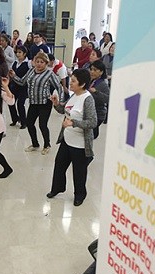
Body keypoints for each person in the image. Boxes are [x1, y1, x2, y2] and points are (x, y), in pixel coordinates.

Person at [47, 68, 97, 206]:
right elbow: (65, 110)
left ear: (82, 84)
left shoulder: (87, 99)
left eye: (73, 81)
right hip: (67, 139)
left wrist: (73, 123)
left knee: (79, 171)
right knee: (59, 165)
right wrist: (57, 104)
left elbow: (92, 122)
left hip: (80, 143)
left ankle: (80, 195)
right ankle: (57, 188)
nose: (70, 83)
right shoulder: (73, 95)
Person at [9, 52, 63, 155]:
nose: (39, 64)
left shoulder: (49, 74)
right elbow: (22, 82)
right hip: (33, 103)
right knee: (29, 124)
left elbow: (59, 87)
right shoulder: (31, 71)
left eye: (42, 62)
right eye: (37, 61)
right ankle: (35, 144)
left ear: (46, 63)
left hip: (45, 103)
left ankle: (47, 145)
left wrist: (59, 101)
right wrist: (14, 76)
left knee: (42, 125)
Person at [8, 45, 30, 129]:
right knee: (11, 102)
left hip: (23, 87)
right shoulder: (15, 62)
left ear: (24, 54)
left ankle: (23, 122)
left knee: (20, 104)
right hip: (14, 86)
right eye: (17, 52)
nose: (18, 54)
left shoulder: (28, 63)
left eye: (20, 52)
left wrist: (14, 75)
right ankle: (15, 119)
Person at [88, 60, 110, 139]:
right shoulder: (91, 80)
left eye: (95, 70)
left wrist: (96, 92)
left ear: (101, 72)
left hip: (98, 114)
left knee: (91, 134)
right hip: (91, 112)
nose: (92, 72)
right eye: (91, 69)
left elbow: (108, 99)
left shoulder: (103, 84)